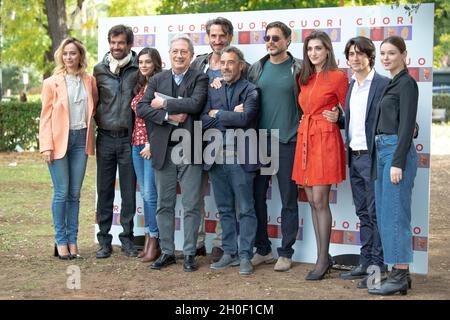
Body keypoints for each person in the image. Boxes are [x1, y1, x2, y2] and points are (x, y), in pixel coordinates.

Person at [137, 34, 208, 272]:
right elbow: (143, 107)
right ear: (169, 53)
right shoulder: (157, 79)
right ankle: (167, 252)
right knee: (164, 205)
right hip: (163, 150)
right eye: (175, 51)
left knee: (190, 205)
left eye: (184, 52)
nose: (179, 55)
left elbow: (195, 104)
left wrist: (165, 104)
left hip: (189, 148)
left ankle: (188, 253)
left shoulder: (200, 77)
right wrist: (168, 116)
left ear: (191, 55)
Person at [292, 30, 349, 280]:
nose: (313, 53)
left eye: (318, 48)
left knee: (320, 199)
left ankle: (323, 258)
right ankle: (322, 257)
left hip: (326, 139)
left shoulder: (338, 77)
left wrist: (341, 117)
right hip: (306, 137)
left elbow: (354, 111)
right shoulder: (302, 78)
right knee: (313, 201)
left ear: (327, 50)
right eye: (309, 49)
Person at [247, 21, 302, 272]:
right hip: (260, 143)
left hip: (288, 141)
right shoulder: (258, 67)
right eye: (267, 38)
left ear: (288, 40)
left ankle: (286, 252)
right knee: (257, 197)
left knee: (289, 200)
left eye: (276, 38)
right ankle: (263, 249)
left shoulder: (299, 68)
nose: (271, 42)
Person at [201, 46, 259, 275]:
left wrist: (219, 113)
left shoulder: (251, 90)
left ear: (240, 65)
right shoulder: (213, 88)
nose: (225, 67)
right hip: (216, 158)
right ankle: (229, 253)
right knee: (224, 209)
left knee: (245, 209)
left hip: (241, 158)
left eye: (230, 62)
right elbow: (203, 119)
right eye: (223, 63)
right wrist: (228, 114)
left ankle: (245, 256)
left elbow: (245, 118)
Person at [368, 36, 418, 296]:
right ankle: (400, 273)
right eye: (383, 53)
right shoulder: (392, 83)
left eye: (392, 53)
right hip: (383, 151)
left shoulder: (407, 83)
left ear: (404, 54)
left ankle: (398, 275)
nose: (386, 57)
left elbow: (408, 124)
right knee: (387, 215)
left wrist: (397, 162)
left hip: (395, 152)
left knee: (396, 215)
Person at [39, 37, 98, 259]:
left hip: (80, 140)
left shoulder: (89, 81)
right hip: (57, 142)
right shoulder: (51, 83)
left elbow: (93, 106)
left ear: (80, 55)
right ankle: (60, 241)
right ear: (61, 56)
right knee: (62, 192)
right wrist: (46, 146)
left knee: (74, 195)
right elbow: (45, 117)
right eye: (65, 53)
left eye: (73, 53)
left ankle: (73, 241)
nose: (69, 57)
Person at [339, 37, 389, 287]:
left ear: (371, 56)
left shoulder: (383, 85)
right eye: (351, 54)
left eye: (360, 54)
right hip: (354, 156)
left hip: (374, 158)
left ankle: (378, 268)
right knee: (363, 213)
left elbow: (396, 117)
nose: (355, 58)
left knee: (375, 213)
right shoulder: (351, 86)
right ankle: (365, 261)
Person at [190, 17, 235, 261]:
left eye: (222, 35)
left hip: (227, 138)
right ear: (208, 38)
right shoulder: (198, 63)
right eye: (213, 36)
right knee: (194, 191)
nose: (218, 40)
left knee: (224, 194)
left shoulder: (241, 65)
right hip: (197, 135)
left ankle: (220, 241)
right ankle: (196, 242)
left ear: (230, 37)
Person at [94, 24, 139, 259]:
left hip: (128, 139)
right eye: (113, 42)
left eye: (121, 42)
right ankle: (103, 240)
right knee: (104, 190)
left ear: (129, 44)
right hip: (105, 138)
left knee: (129, 192)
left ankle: (128, 239)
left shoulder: (138, 69)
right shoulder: (99, 70)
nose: (116, 47)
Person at [131, 48, 162, 263]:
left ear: (155, 63)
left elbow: (160, 116)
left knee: (151, 195)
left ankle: (155, 241)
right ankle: (147, 238)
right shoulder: (140, 84)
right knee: (144, 194)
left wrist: (151, 143)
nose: (143, 65)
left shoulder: (160, 84)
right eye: (140, 62)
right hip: (135, 143)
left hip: (151, 145)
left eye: (147, 62)